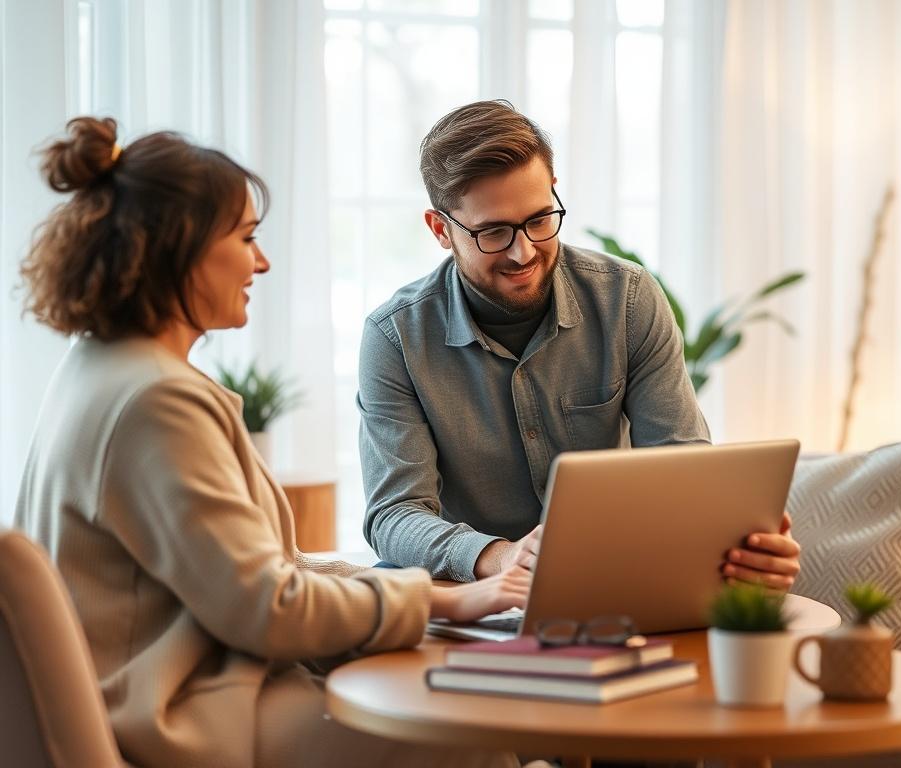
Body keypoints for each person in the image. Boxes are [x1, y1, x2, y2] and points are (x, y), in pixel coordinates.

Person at [14, 117, 532, 768]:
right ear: (178, 248)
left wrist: (439, 597)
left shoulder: (100, 366)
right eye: (246, 237)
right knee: (472, 735)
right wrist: (447, 599)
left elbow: (256, 572)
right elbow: (271, 608)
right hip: (181, 721)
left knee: (459, 694)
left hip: (155, 695)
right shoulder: (157, 400)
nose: (260, 261)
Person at [359, 100, 801, 590]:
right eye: (493, 232)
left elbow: (685, 471)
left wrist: (741, 551)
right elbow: (394, 515)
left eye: (539, 219)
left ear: (554, 193)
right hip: (472, 590)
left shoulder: (627, 300)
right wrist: (501, 558)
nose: (522, 251)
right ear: (441, 229)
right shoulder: (394, 338)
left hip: (614, 575)